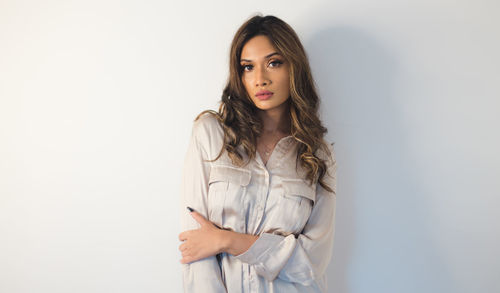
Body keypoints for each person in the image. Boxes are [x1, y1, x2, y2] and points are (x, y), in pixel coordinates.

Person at [178, 14, 337, 293]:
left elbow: (311, 264)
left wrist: (227, 241)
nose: (260, 79)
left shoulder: (318, 155)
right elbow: (195, 250)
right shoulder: (211, 135)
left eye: (273, 63)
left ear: (294, 68)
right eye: (248, 67)